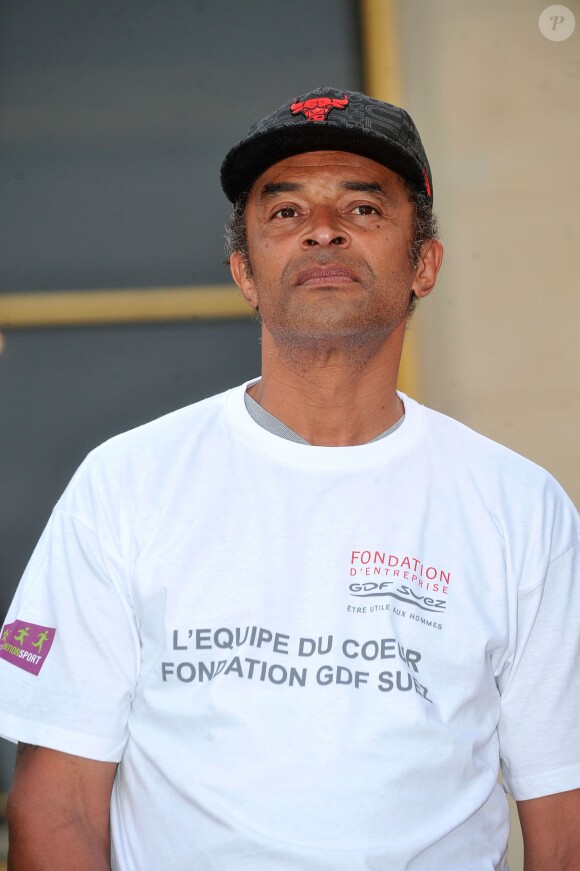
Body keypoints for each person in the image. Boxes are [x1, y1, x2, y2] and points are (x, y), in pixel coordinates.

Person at [1, 86, 579, 871]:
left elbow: (564, 808)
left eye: (364, 209)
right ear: (244, 271)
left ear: (425, 264)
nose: (324, 231)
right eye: (285, 213)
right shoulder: (124, 484)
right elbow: (56, 797)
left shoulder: (522, 507)